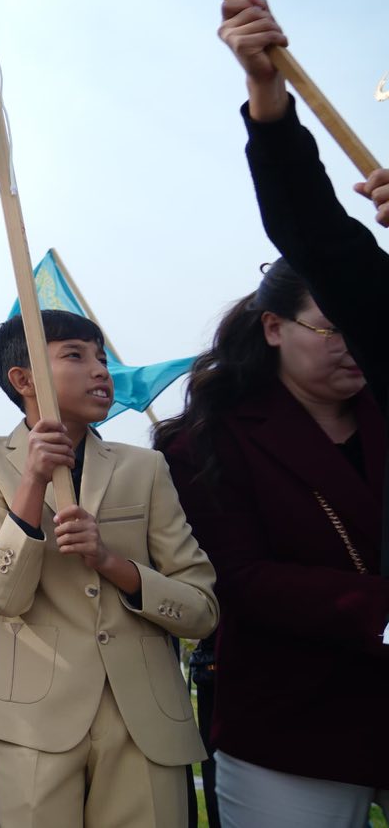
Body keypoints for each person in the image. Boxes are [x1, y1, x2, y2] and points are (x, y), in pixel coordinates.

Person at [0, 309, 219, 827]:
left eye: (101, 357)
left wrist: (113, 563)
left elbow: (201, 610)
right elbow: (2, 596)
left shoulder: (145, 467)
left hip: (144, 719)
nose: (101, 370)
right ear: (23, 379)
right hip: (31, 721)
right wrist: (32, 481)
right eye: (75, 355)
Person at [155, 259, 386, 822]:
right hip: (293, 720)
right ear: (274, 327)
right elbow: (239, 578)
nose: (355, 342)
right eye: (333, 327)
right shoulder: (204, 440)